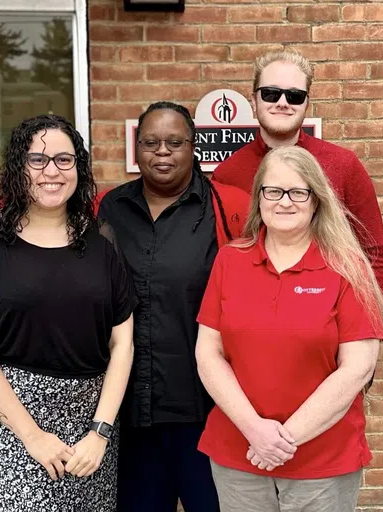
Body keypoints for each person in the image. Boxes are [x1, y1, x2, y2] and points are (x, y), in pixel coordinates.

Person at [0, 114, 137, 512]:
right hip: (14, 417)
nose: (52, 172)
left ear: (78, 169)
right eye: (38, 160)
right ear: (19, 167)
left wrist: (100, 431)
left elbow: (122, 343)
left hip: (91, 420)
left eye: (64, 160)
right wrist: (32, 435)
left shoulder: (102, 239)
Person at [196, 146, 383, 512]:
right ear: (259, 198)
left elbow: (357, 368)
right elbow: (208, 352)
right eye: (273, 191)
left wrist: (282, 440)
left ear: (317, 200)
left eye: (299, 192)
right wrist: (255, 430)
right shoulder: (230, 260)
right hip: (239, 450)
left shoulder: (348, 267)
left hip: (322, 459)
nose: (285, 202)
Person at [96, 101, 250, 512]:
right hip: (130, 415)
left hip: (207, 412)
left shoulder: (229, 207)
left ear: (193, 147)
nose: (162, 152)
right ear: (136, 148)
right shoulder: (109, 208)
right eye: (150, 142)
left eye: (174, 142)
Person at [212, 50, 383, 297]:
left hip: (329, 318)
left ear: (307, 103)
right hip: (252, 315)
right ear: (253, 101)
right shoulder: (228, 173)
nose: (282, 102)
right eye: (270, 93)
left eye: (295, 96)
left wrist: (370, 323)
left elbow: (373, 252)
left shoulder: (343, 164)